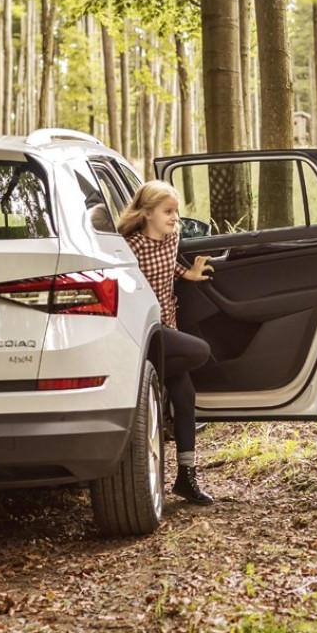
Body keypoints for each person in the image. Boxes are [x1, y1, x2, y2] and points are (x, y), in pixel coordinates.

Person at [117, 181, 216, 505]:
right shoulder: (130, 247)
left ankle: (186, 477)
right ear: (147, 213)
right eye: (168, 211)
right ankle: (149, 380)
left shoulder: (172, 238)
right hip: (145, 330)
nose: (175, 218)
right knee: (200, 351)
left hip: (168, 326)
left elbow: (166, 266)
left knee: (186, 397)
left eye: (176, 211)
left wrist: (185, 274)